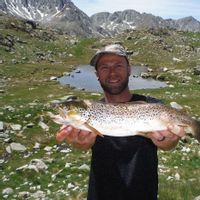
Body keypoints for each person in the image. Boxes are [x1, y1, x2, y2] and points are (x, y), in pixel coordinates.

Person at [56, 44, 184, 200]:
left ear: (129, 69)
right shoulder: (92, 110)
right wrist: (79, 143)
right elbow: (83, 144)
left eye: (118, 65)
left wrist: (167, 141)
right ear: (97, 74)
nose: (112, 73)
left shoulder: (153, 106)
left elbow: (169, 144)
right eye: (104, 67)